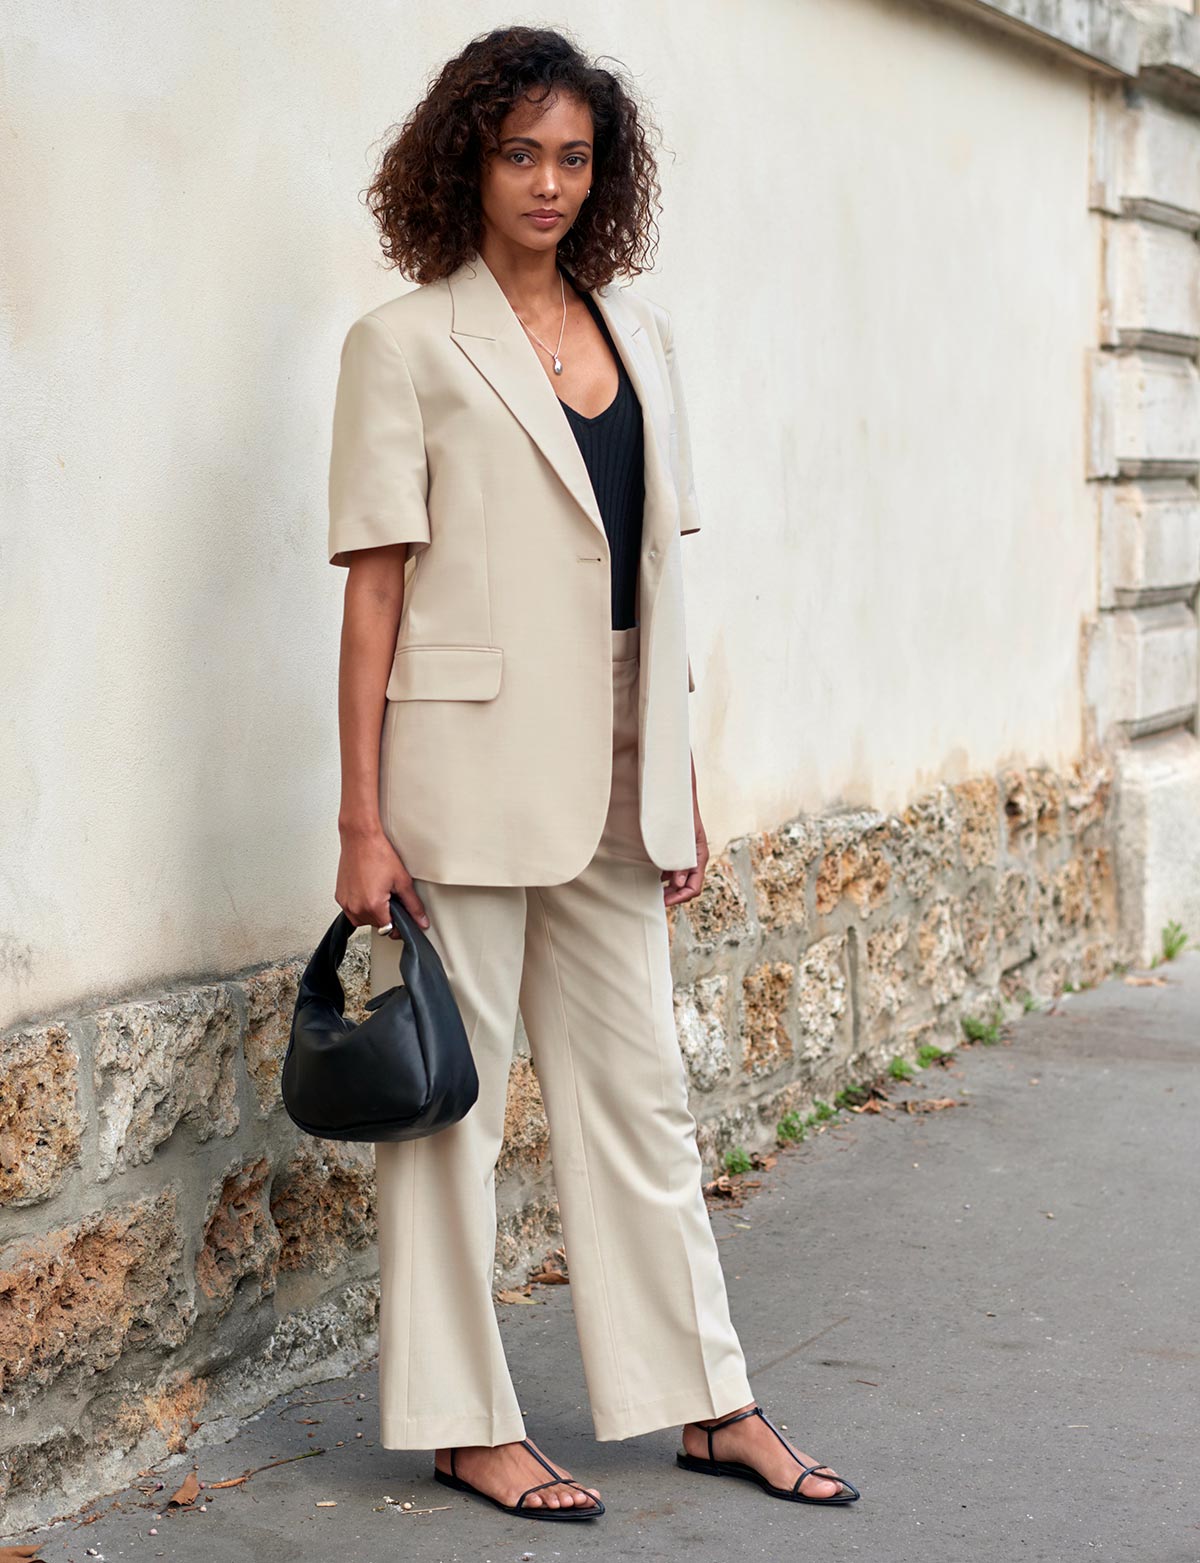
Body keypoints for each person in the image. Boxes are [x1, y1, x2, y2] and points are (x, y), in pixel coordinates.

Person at [326, 23, 860, 1523]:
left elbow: (652, 583)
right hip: (463, 775)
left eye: (573, 157)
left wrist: (674, 774)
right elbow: (374, 596)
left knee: (643, 1095)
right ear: (467, 164)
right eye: (521, 155)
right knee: (458, 1110)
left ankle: (707, 1400)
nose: (549, 184)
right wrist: (360, 817)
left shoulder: (643, 338)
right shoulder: (403, 345)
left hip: (621, 765)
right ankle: (460, 1422)